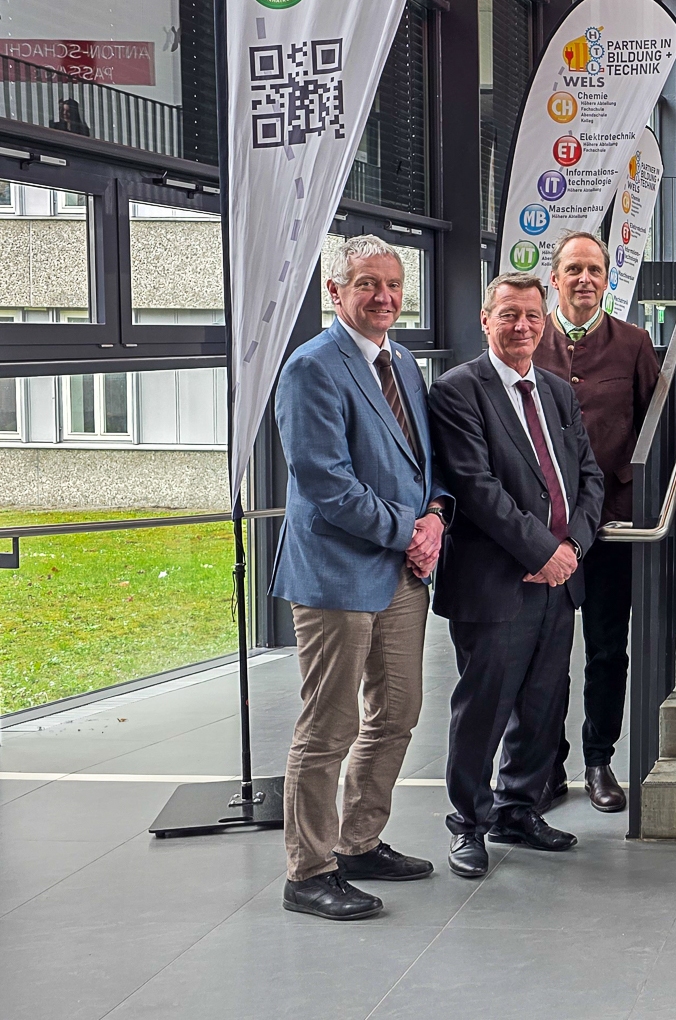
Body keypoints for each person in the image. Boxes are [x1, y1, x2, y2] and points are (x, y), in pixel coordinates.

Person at [271, 234, 450, 921]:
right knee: (329, 726)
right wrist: (409, 531)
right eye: (368, 284)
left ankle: (359, 843)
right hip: (337, 575)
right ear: (336, 291)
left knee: (398, 712)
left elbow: (425, 460)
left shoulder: (401, 362)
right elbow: (326, 482)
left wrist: (435, 516)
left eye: (394, 285)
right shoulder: (311, 368)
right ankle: (308, 871)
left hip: (401, 572)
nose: (384, 297)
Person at [428, 273, 607, 880]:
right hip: (496, 582)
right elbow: (476, 487)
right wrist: (541, 551)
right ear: (486, 320)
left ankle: (518, 810)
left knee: (542, 704)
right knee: (484, 708)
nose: (522, 326)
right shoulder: (457, 391)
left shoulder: (555, 390)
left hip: (559, 578)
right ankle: (467, 823)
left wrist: (573, 546)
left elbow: (588, 476)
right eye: (508, 314)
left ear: (545, 321)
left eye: (532, 315)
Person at [533, 232, 662, 813]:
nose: (585, 279)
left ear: (608, 279)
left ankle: (598, 760)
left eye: (595, 270)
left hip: (612, 526)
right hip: (544, 530)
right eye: (574, 269)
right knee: (545, 652)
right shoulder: (529, 339)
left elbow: (655, 425)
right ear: (555, 278)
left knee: (608, 650)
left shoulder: (633, 343)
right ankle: (546, 763)